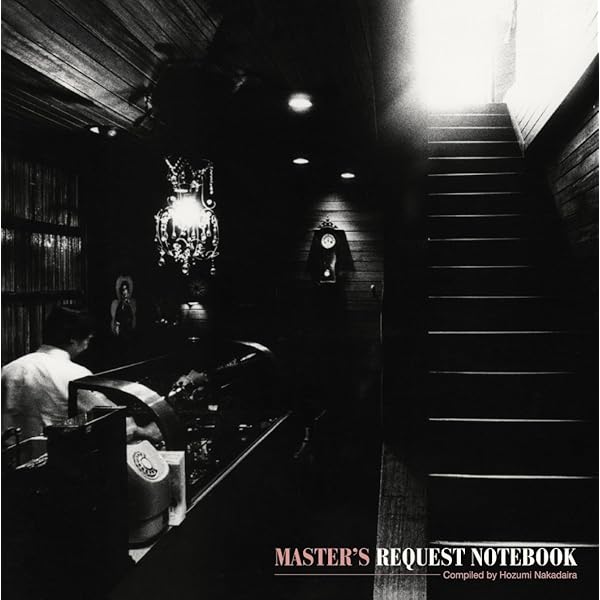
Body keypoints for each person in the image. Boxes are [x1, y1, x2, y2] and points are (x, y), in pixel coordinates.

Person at [1, 306, 160, 443]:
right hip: (55, 460)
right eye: (87, 340)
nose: (86, 346)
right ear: (72, 340)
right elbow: (113, 421)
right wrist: (144, 431)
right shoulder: (76, 374)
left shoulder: (9, 369)